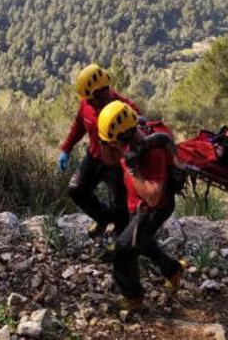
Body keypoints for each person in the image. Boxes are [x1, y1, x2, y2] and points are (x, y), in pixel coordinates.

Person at [97, 100, 185, 311]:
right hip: (136, 205)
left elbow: (153, 197)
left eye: (112, 142)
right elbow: (108, 161)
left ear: (123, 136)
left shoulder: (151, 152)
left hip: (151, 209)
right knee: (142, 243)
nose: (111, 146)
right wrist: (109, 145)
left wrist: (132, 169)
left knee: (123, 251)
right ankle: (172, 269)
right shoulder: (130, 139)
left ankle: (133, 299)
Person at [58, 64, 139, 239]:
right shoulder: (86, 104)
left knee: (119, 206)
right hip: (94, 156)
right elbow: (79, 125)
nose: (86, 101)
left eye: (89, 98)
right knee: (77, 190)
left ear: (101, 92)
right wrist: (66, 149)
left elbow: (138, 125)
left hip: (116, 164)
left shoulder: (122, 108)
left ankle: (121, 240)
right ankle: (103, 218)